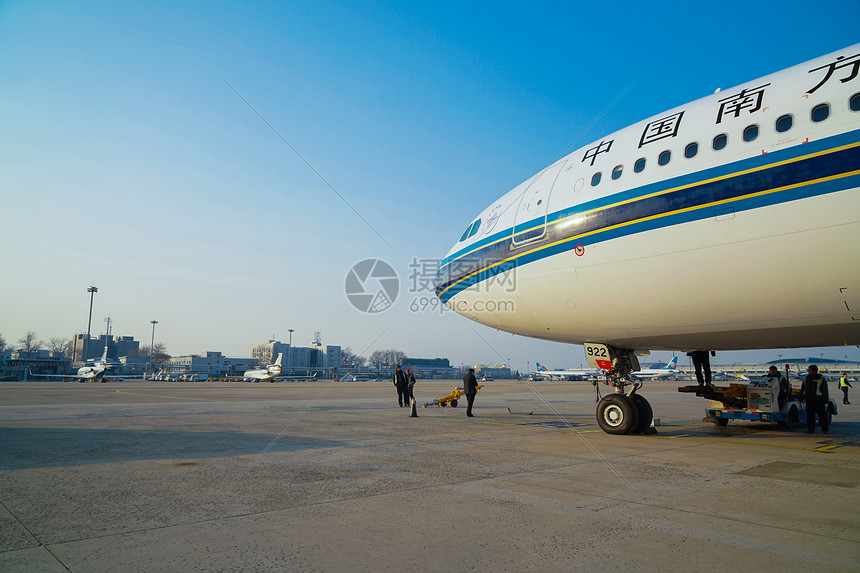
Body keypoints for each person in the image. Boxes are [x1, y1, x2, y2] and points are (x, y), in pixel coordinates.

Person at [800, 364, 829, 434]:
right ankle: (810, 429)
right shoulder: (806, 378)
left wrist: (825, 399)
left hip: (819, 400)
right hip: (809, 400)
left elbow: (825, 390)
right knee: (810, 416)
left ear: (814, 370)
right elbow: (803, 389)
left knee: (822, 416)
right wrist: (801, 397)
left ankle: (825, 430)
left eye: (810, 369)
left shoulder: (821, 378)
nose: (808, 371)